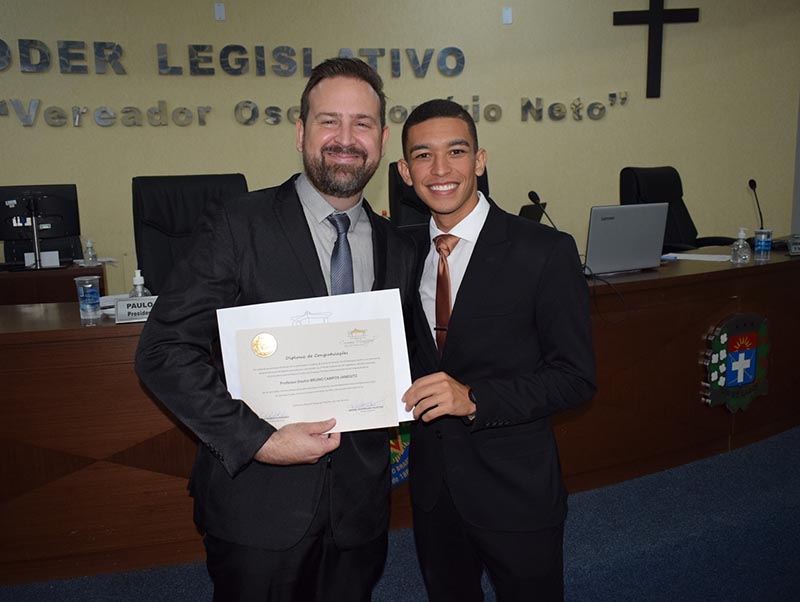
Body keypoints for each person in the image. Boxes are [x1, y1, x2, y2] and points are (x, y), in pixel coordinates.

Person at [135, 57, 416, 602]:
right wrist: (258, 440)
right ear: (300, 132)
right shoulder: (238, 224)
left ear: (382, 140)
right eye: (328, 121)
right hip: (258, 510)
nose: (345, 138)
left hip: (359, 510)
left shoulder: (398, 246)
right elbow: (164, 351)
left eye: (362, 124)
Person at [398, 99, 596, 602]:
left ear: (480, 160)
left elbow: (575, 376)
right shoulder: (397, 252)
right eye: (423, 156)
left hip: (516, 488)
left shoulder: (545, 251)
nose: (440, 170)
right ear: (404, 171)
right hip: (434, 489)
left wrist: (476, 399)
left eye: (456, 152)